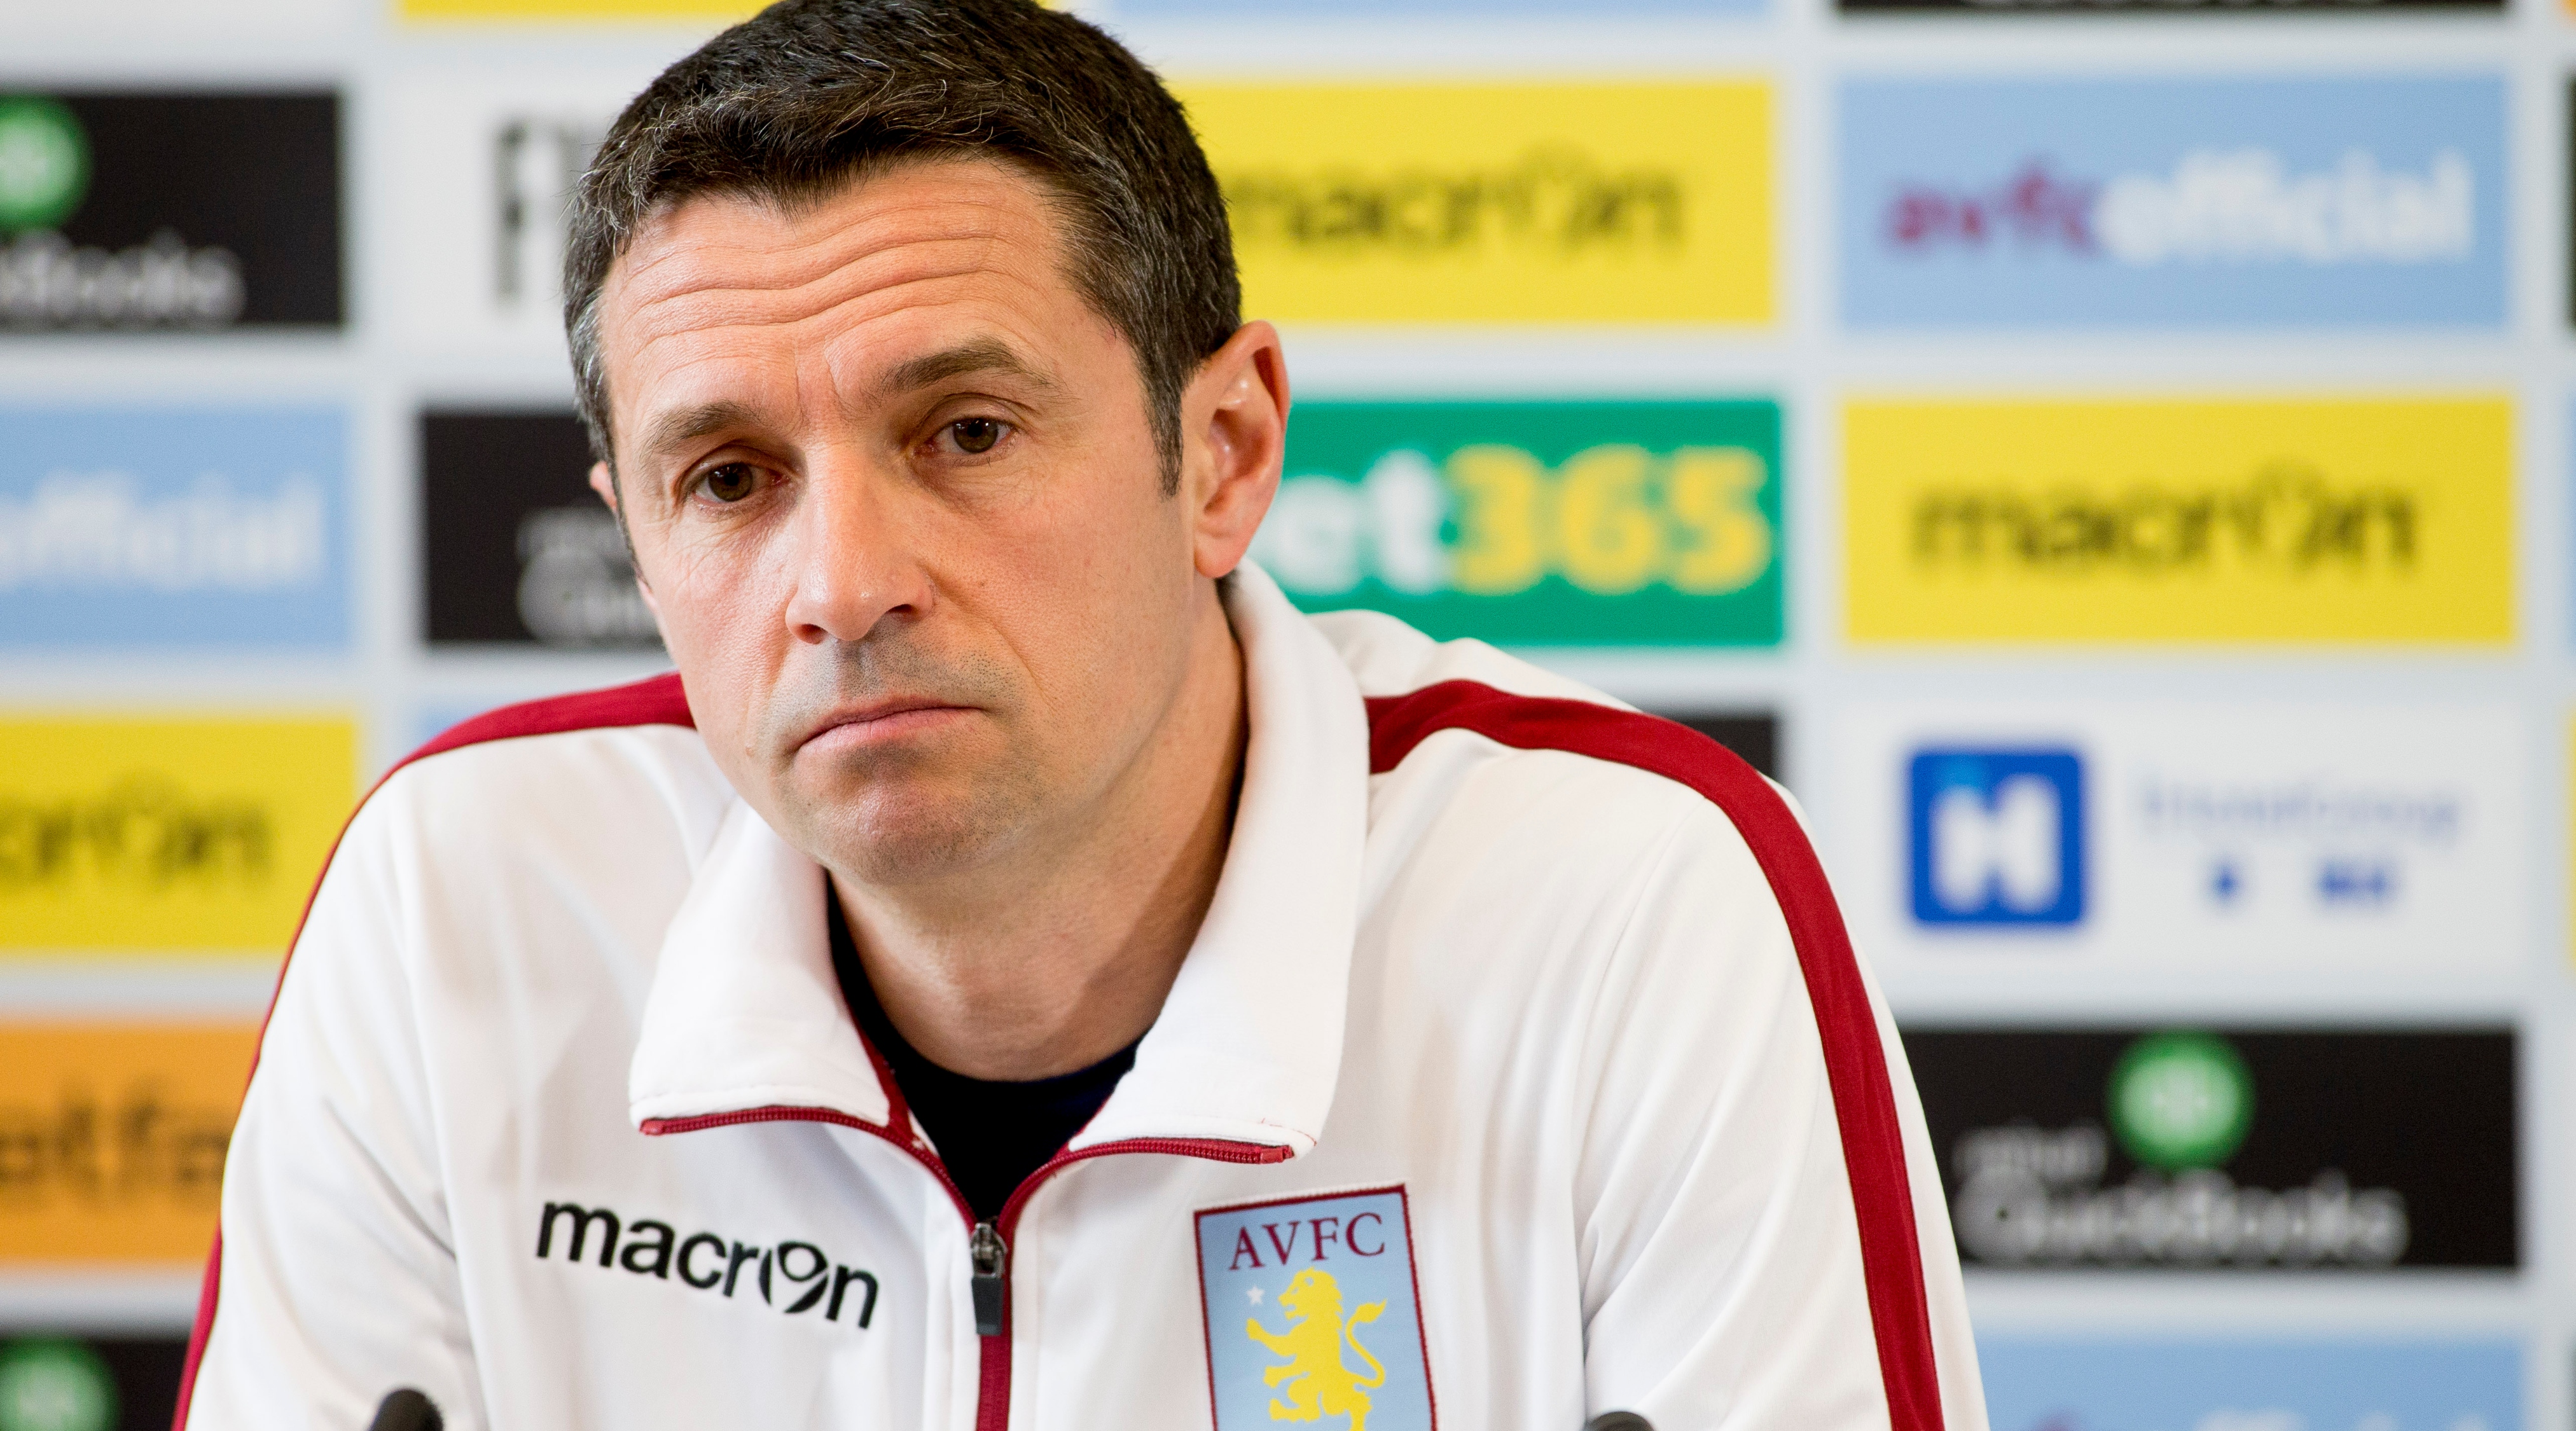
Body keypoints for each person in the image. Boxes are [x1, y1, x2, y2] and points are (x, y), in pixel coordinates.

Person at [177, 1, 1986, 1427]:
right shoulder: (459, 899)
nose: (843, 582)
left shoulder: (1631, 895)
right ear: (634, 540)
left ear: (1221, 454)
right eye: (728, 476)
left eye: (964, 432)